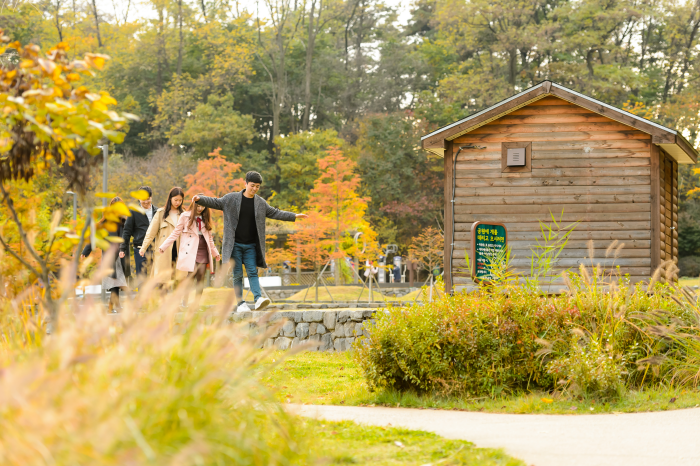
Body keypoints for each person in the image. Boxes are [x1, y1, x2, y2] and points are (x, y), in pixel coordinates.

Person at [193, 171, 307, 312]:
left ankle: (258, 298)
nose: (254, 189)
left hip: (251, 245)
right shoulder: (231, 199)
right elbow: (216, 202)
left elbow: (276, 212)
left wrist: (294, 216)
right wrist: (200, 200)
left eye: (257, 186)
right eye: (252, 185)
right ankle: (241, 304)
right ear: (245, 183)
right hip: (234, 244)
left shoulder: (260, 203)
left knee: (252, 271)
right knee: (238, 274)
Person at [159, 201, 221, 299]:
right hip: (191, 249)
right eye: (199, 206)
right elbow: (175, 233)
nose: (200, 208)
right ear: (194, 204)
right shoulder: (185, 216)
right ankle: (185, 302)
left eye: (203, 206)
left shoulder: (206, 218)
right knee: (191, 275)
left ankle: (196, 304)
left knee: (201, 275)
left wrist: (215, 252)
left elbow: (209, 239)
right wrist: (163, 246)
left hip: (203, 250)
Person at [81, 197, 129, 313]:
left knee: (117, 282)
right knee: (115, 281)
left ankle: (111, 306)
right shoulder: (104, 222)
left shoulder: (125, 222)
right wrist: (85, 252)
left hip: (122, 255)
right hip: (110, 255)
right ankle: (116, 306)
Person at [139, 187, 186, 286]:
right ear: (170, 199)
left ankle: (175, 301)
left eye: (180, 200)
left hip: (179, 251)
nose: (177, 202)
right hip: (164, 252)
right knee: (162, 282)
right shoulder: (161, 213)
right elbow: (150, 233)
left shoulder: (184, 214)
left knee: (178, 281)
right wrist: (143, 248)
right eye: (175, 200)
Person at [120, 186, 157, 278]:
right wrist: (122, 248)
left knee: (157, 278)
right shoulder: (133, 212)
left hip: (155, 248)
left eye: (148, 199)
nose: (145, 202)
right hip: (140, 248)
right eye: (143, 199)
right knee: (141, 278)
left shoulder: (158, 211)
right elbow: (127, 231)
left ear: (151, 197)